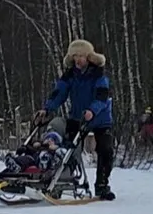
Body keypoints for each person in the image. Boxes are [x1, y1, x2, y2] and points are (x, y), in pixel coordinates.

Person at [35, 39, 116, 200]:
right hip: (78, 116)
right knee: (67, 149)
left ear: (89, 57)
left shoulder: (99, 76)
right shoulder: (70, 75)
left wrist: (92, 111)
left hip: (100, 118)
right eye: (75, 56)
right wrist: (47, 108)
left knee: (105, 150)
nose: (78, 60)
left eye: (81, 56)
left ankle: (102, 185)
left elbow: (102, 97)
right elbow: (59, 93)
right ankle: (63, 179)